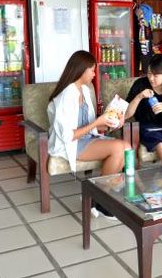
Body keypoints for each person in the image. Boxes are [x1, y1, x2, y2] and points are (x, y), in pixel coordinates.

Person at [47, 50, 126, 219]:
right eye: (92, 70)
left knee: (126, 147)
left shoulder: (84, 90)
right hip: (71, 143)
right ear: (81, 70)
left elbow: (92, 127)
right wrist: (97, 122)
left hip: (86, 139)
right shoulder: (66, 95)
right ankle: (101, 199)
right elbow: (68, 136)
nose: (94, 74)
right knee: (119, 147)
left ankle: (98, 197)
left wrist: (112, 123)